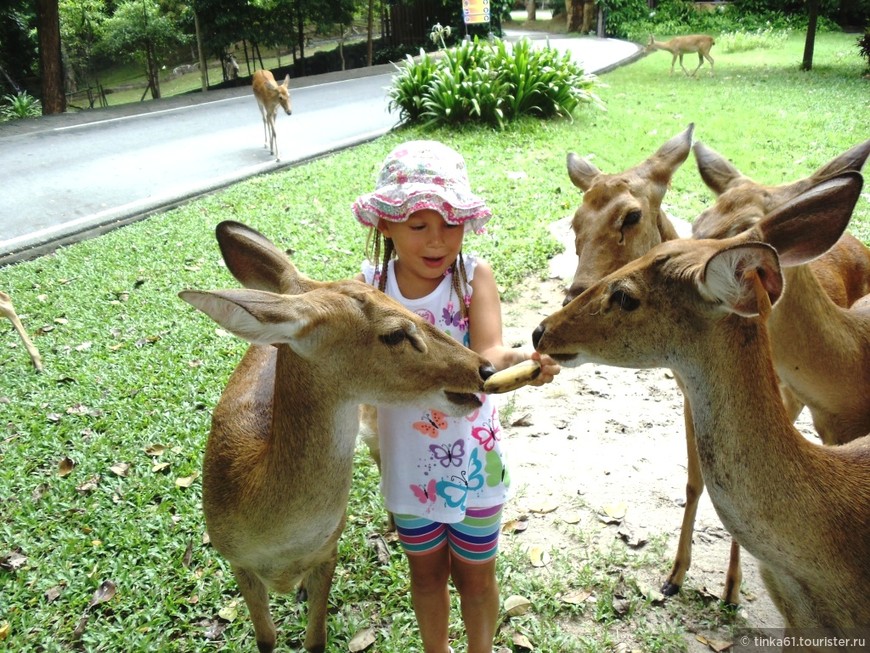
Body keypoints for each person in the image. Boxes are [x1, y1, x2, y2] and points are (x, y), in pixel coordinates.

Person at [352, 140, 560, 653]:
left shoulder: (473, 279)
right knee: (425, 576)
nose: (437, 240)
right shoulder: (369, 288)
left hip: (475, 462)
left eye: (450, 223)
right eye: (418, 225)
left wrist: (524, 364)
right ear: (387, 224)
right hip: (407, 467)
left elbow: (490, 351)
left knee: (476, 576)